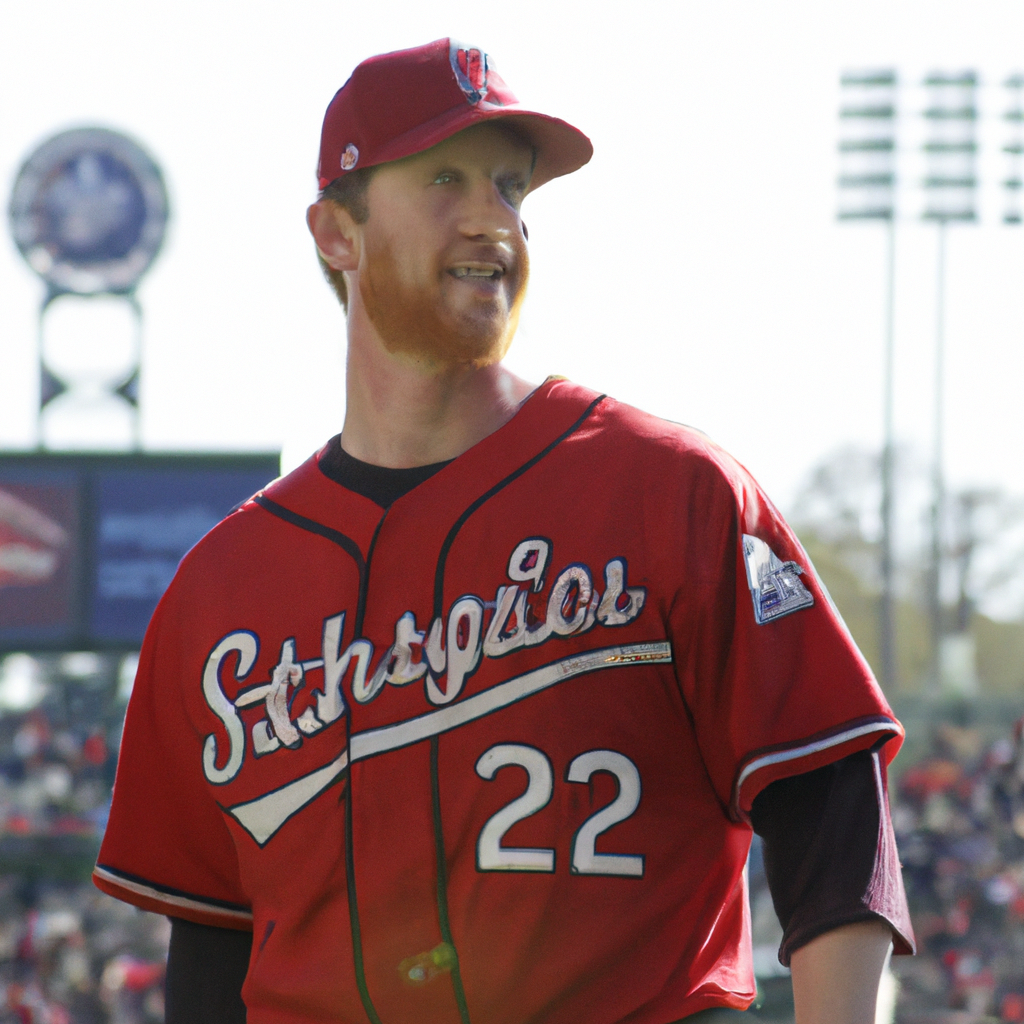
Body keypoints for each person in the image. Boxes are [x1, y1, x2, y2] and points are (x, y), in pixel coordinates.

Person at [93, 39, 914, 1024]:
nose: (494, 218)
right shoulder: (218, 593)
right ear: (336, 233)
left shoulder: (674, 492)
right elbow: (211, 943)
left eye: (511, 188)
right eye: (444, 179)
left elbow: (833, 806)